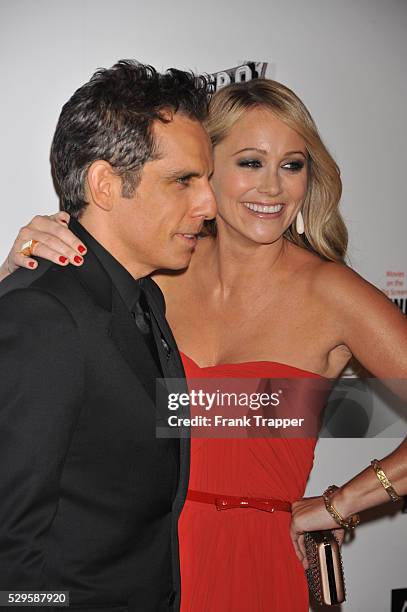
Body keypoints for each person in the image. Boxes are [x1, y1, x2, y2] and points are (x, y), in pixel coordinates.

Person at [2, 78, 407, 611]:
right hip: (143, 561)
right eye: (249, 163)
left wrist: (338, 505)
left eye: (292, 165)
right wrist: (16, 272)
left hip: (255, 564)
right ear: (205, 170)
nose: (273, 188)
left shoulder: (333, 294)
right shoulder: (158, 276)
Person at [0, 60, 216, 611]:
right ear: (104, 184)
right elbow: (10, 555)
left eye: (206, 180)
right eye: (183, 180)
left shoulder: (145, 298)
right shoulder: (44, 315)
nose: (209, 206)